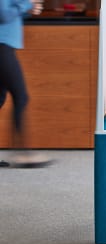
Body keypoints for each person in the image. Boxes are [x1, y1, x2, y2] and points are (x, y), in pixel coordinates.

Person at [0, 0, 51, 167]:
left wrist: (28, 10)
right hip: (2, 47)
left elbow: (12, 14)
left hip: (5, 45)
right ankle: (22, 154)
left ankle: (21, 153)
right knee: (21, 97)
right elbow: (3, 14)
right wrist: (27, 5)